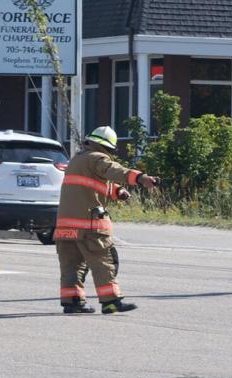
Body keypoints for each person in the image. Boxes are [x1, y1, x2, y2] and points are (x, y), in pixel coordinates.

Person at [55, 126, 158, 314]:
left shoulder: (77, 160)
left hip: (65, 227)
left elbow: (90, 185)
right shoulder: (97, 158)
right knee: (104, 261)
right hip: (89, 226)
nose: (110, 154)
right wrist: (140, 177)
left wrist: (117, 192)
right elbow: (113, 170)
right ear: (105, 147)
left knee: (72, 266)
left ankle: (72, 302)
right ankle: (111, 302)